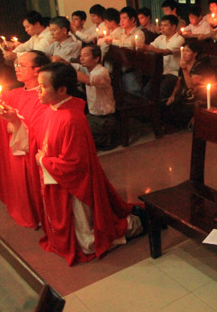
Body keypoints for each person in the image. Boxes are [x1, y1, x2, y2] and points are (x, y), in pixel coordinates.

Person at [34, 62, 144, 265]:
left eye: (43, 86)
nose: (37, 91)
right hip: (57, 179)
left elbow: (75, 164)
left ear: (62, 90)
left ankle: (135, 224)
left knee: (88, 242)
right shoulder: (52, 109)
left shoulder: (71, 118)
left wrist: (43, 160)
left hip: (75, 185)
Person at [0, 51, 50, 228]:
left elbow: (45, 130)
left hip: (34, 153)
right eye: (16, 65)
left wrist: (16, 123)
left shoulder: (45, 96)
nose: (17, 68)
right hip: (17, 150)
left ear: (37, 70)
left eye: (22, 65)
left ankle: (42, 213)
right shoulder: (16, 93)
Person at [72, 45, 117, 151]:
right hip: (93, 116)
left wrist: (70, 71)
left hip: (104, 119)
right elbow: (75, 67)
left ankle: (106, 138)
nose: (81, 58)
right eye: (81, 56)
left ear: (96, 58)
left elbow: (89, 80)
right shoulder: (89, 69)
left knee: (76, 136)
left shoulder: (102, 72)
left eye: (86, 55)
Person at [163, 42, 214, 128]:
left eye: (187, 51)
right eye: (184, 51)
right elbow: (178, 84)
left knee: (179, 117)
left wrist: (184, 69)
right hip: (182, 96)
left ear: (195, 54)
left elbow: (190, 86)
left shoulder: (199, 67)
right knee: (165, 108)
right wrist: (172, 96)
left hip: (194, 99)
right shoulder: (183, 65)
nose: (184, 54)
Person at [141, 14, 185, 100]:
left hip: (174, 74)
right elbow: (150, 47)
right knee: (146, 91)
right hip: (161, 72)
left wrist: (148, 48)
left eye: (165, 25)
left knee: (161, 92)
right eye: (161, 25)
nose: (162, 28)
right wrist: (140, 46)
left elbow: (166, 52)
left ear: (173, 27)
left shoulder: (179, 39)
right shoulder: (161, 37)